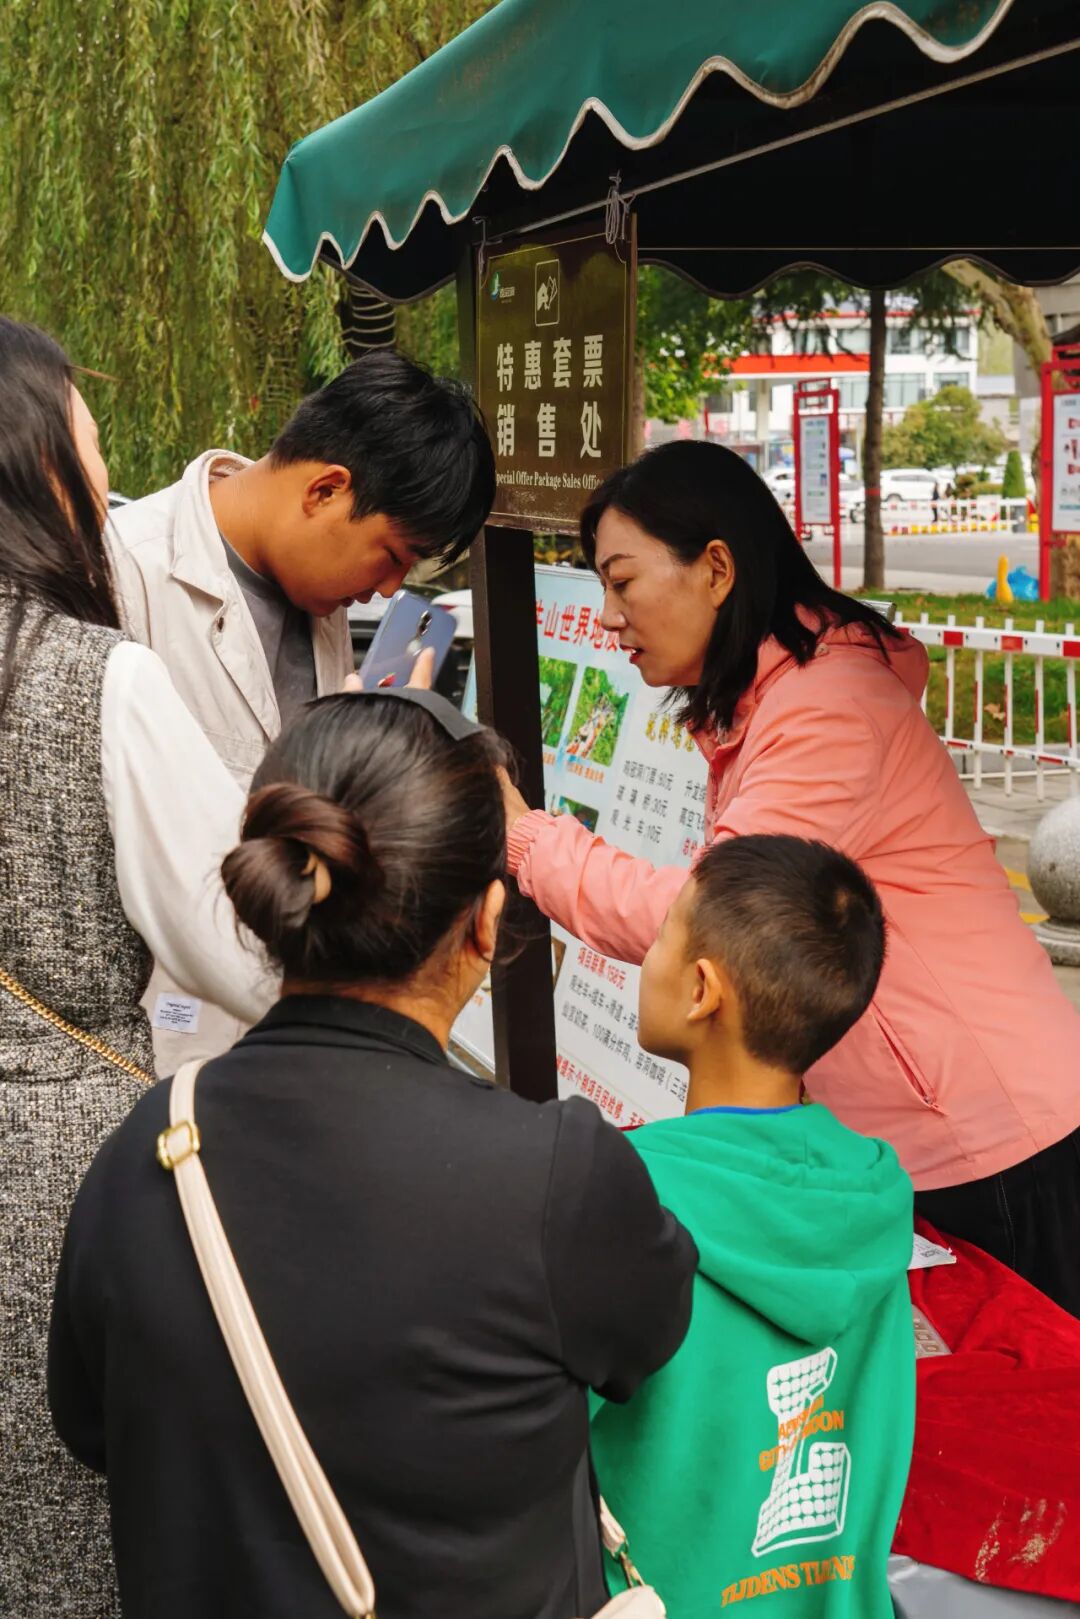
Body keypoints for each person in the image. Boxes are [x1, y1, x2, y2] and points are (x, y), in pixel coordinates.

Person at [48, 688, 697, 1619]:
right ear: (486, 921)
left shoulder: (144, 1150)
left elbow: (90, 1423)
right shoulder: (555, 1177)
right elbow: (648, 1339)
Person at [502, 441, 1080, 1315]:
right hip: (919, 1122)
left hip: (986, 1131)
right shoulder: (773, 701)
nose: (610, 614)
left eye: (623, 581)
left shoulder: (831, 710)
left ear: (718, 569)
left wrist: (527, 841)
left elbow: (711, 916)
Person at [0, 318, 275, 1617]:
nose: (104, 479)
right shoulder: (99, 679)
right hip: (54, 1173)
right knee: (64, 1517)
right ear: (34, 459)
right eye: (90, 440)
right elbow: (244, 947)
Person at [108, 348, 495, 1071]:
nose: (387, 591)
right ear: (326, 490)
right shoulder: (126, 572)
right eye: (391, 555)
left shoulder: (316, 598)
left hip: (288, 1046)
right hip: (159, 1049)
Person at [589, 835, 914, 1618]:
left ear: (701, 988)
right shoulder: (873, 1186)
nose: (650, 955)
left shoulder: (625, 1189)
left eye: (664, 932)